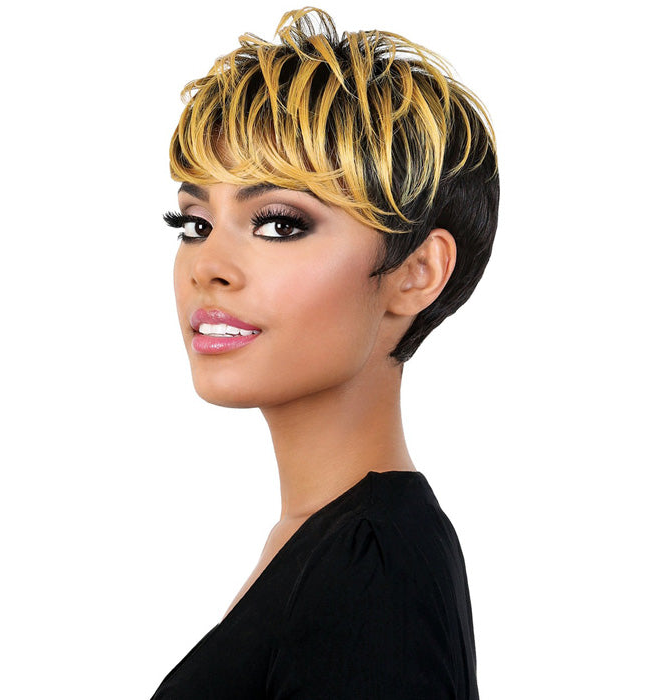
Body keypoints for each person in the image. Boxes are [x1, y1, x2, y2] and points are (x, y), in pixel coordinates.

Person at [151, 7, 498, 699]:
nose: (207, 267)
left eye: (279, 224)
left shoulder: (373, 566)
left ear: (416, 272)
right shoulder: (333, 542)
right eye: (194, 223)